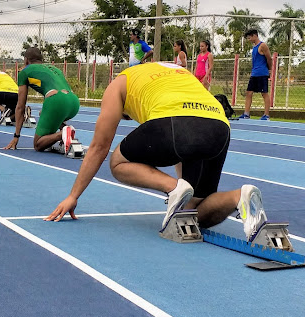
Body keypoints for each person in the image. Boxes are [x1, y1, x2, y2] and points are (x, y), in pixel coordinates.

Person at [45, 62, 268, 243]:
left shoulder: (118, 83)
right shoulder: (175, 71)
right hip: (219, 126)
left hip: (174, 121)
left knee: (117, 163)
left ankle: (173, 189)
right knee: (191, 212)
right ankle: (240, 196)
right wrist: (184, 191)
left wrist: (73, 196)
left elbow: (99, 147)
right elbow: (186, 142)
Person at [4, 47, 80, 153]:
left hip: (57, 101)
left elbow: (20, 106)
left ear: (26, 60)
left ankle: (63, 133)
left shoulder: (24, 72)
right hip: (74, 102)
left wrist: (16, 136)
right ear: (41, 60)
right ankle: (65, 131)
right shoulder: (55, 69)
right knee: (43, 113)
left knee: (38, 145)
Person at [236, 29, 272, 120]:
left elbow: (269, 59)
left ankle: (266, 115)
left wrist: (270, 70)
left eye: (250, 37)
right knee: (249, 93)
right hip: (254, 73)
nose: (249, 39)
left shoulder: (262, 45)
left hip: (262, 73)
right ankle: (246, 114)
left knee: (264, 93)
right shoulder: (254, 47)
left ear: (255, 35)